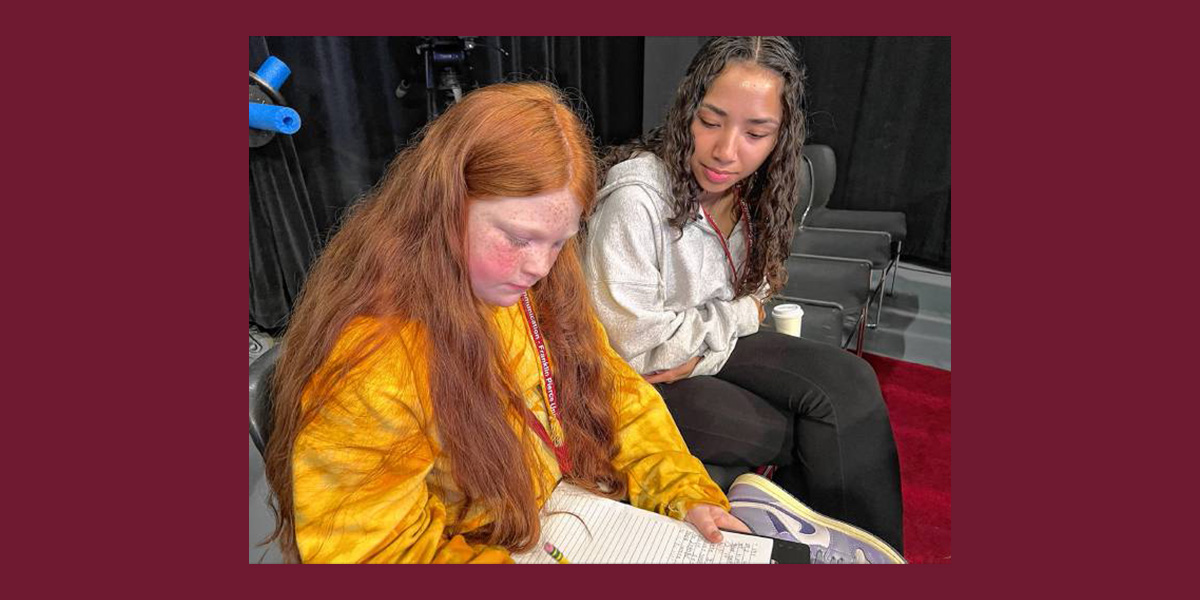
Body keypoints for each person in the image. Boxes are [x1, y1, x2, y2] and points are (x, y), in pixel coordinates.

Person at [261, 82, 748, 564]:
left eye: (558, 241)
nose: (540, 266)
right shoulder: (376, 362)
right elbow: (374, 555)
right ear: (445, 209)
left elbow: (613, 390)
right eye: (518, 238)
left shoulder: (537, 285)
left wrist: (686, 494)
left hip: (563, 517)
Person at [583, 37, 903, 553]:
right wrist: (734, 319)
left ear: (780, 137)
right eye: (710, 122)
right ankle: (827, 554)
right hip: (634, 381)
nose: (726, 151)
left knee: (851, 379)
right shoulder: (634, 200)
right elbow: (636, 349)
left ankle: (879, 559)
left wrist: (705, 349)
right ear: (686, 110)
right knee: (797, 428)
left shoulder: (756, 192)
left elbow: (757, 292)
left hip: (691, 348)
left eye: (756, 132)